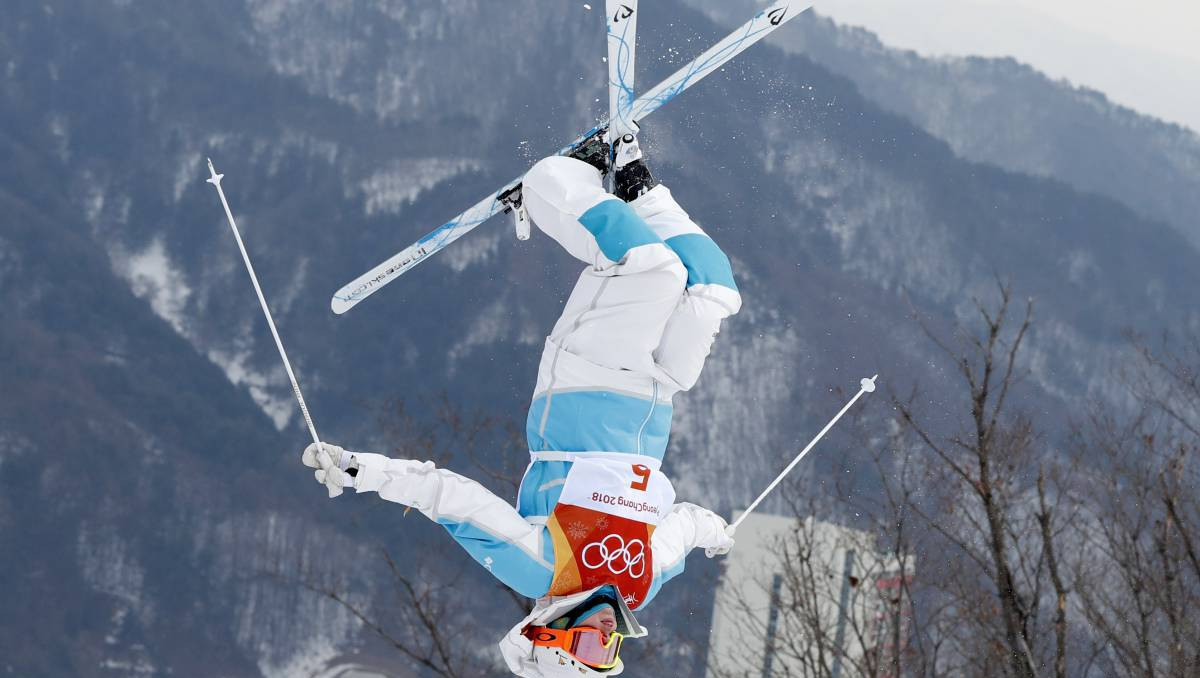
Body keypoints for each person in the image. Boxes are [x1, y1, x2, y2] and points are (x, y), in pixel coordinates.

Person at [305, 127, 741, 676]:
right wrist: (719, 536)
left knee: (652, 271)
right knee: (712, 291)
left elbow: (452, 501)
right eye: (608, 656)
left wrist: (360, 471)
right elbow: (687, 526)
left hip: (585, 381)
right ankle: (639, 192)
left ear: (551, 634)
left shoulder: (543, 570)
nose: (606, 641)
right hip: (655, 396)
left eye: (586, 649)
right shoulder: (642, 583)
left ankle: (553, 183)